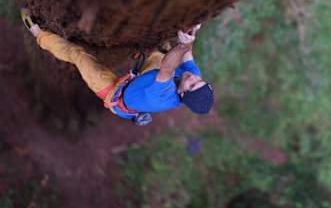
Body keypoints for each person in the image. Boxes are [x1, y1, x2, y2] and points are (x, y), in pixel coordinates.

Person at [20, 8, 214, 125]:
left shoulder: (163, 96)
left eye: (190, 85)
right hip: (149, 77)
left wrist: (181, 44)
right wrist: (191, 33)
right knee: (160, 48)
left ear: (181, 95)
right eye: (198, 80)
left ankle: (39, 33)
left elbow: (167, 69)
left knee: (79, 56)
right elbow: (186, 54)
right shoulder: (192, 76)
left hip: (115, 93)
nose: (192, 78)